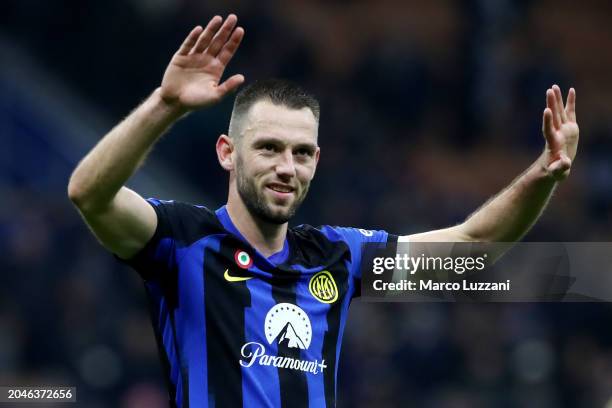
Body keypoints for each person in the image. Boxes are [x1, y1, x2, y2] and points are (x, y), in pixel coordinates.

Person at [67, 14, 579, 408]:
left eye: (302, 152)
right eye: (268, 148)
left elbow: (472, 249)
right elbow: (90, 193)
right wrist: (166, 104)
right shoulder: (181, 240)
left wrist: (540, 176)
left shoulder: (336, 255)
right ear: (227, 152)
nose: (287, 167)